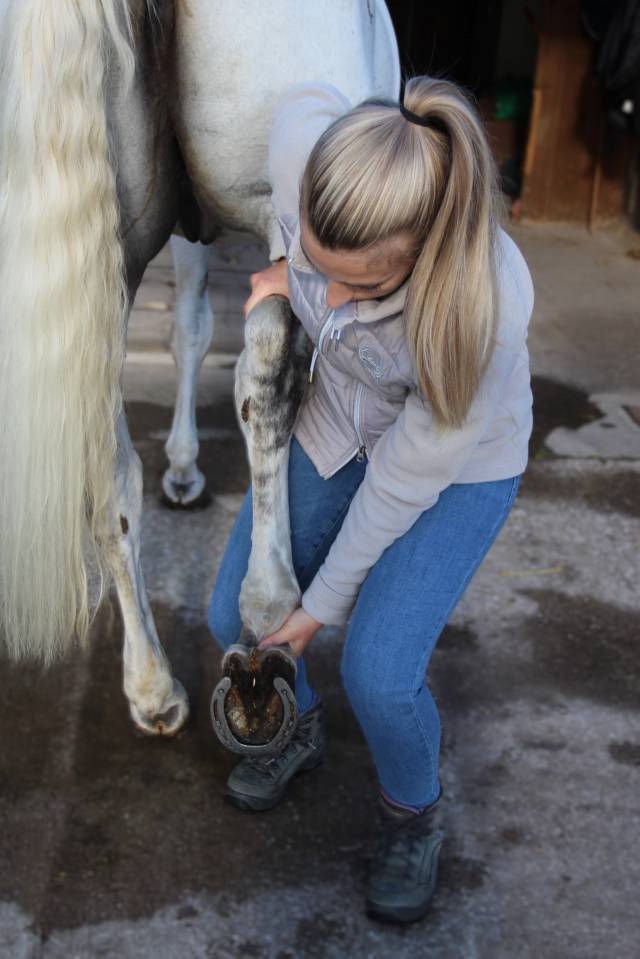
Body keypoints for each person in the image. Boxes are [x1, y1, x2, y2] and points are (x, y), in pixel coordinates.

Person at [208, 76, 534, 924]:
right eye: (321, 266)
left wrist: (316, 611)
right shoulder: (304, 154)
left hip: (455, 467)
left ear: (420, 255)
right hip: (338, 416)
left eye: (362, 286)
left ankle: (411, 813)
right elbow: (305, 95)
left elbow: (396, 487)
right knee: (233, 614)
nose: (334, 298)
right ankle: (297, 724)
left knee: (380, 672)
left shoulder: (483, 313)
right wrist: (286, 272)